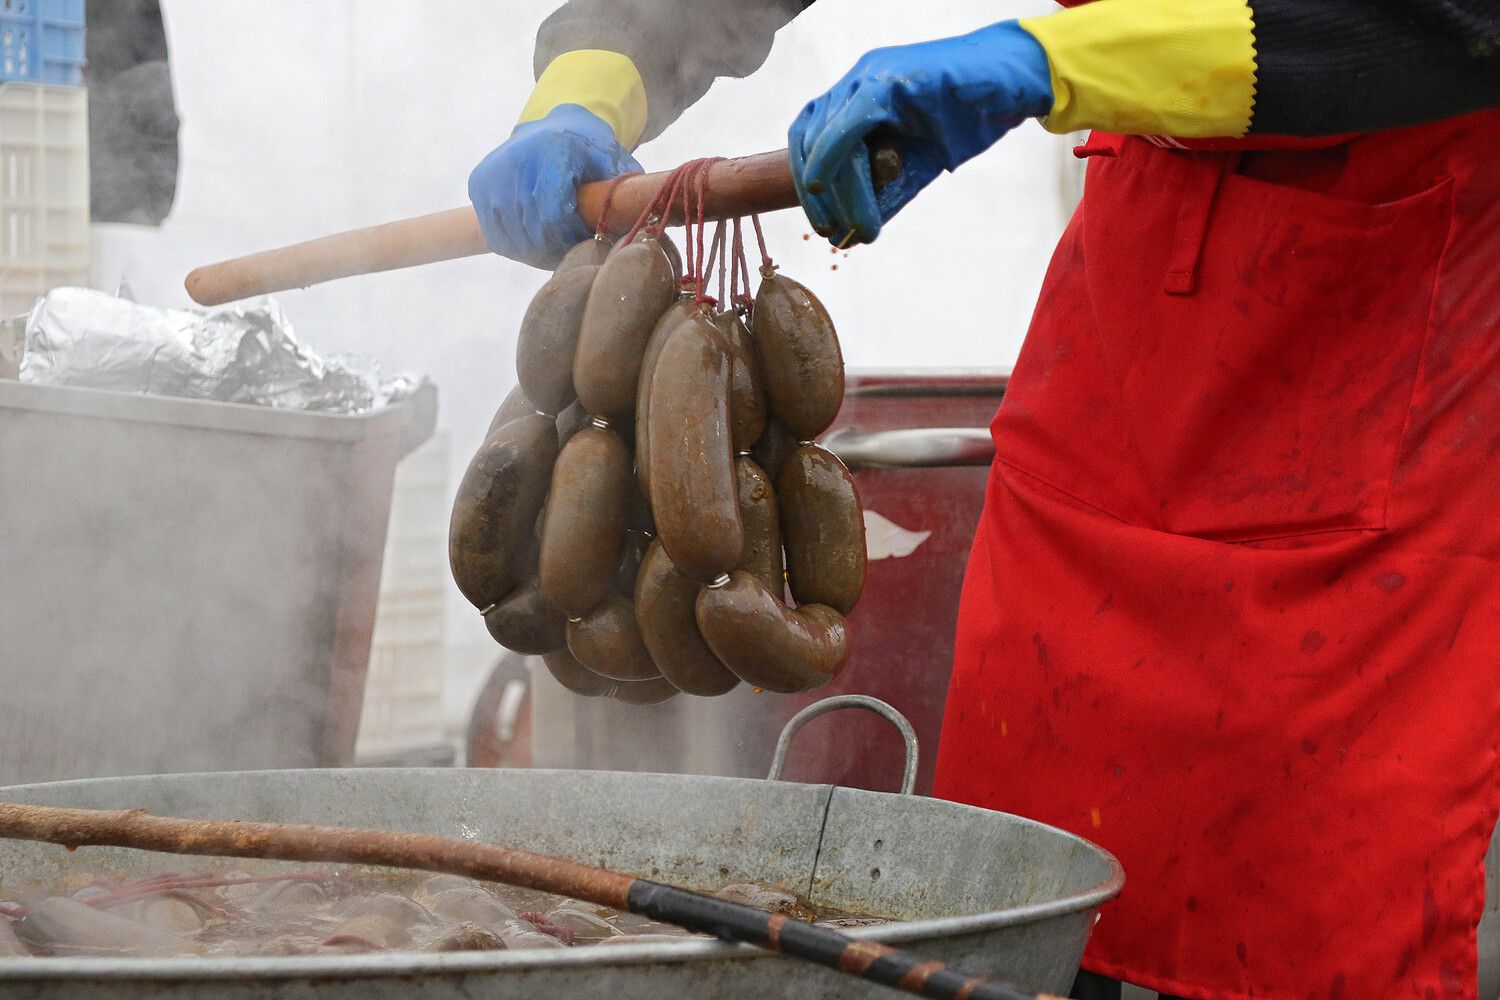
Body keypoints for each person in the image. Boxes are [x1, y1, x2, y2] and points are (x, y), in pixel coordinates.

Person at [469, 2, 1500, 997]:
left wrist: (1043, 62)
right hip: (1121, 351)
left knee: (1308, 885)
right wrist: (593, 78)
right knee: (1023, 882)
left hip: (1389, 357)